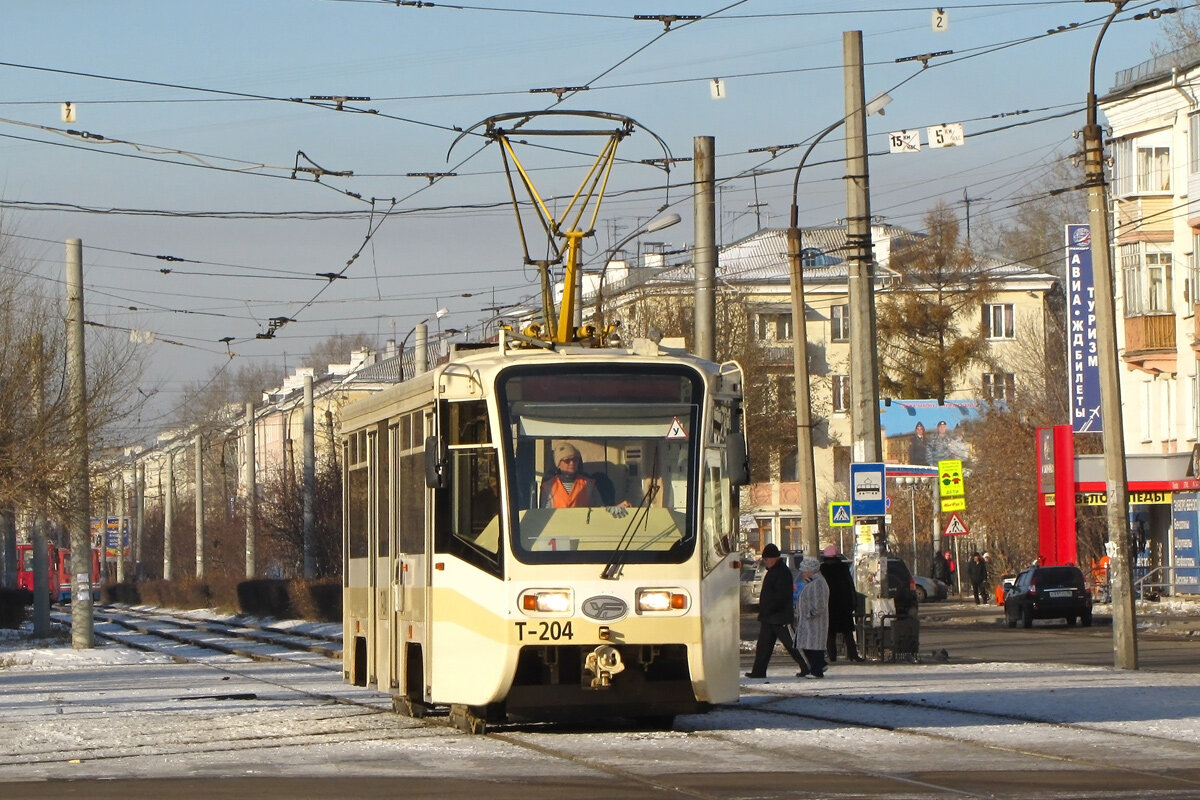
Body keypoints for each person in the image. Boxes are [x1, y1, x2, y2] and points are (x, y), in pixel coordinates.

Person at [746, 543, 810, 679]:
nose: (765, 562)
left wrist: (769, 608)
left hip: (780, 616)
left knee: (791, 644)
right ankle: (758, 671)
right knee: (763, 646)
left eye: (766, 559)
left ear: (773, 558)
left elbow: (781, 596)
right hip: (769, 617)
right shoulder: (775, 571)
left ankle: (807, 666)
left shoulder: (781, 572)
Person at [820, 544, 863, 663]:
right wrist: (852, 602)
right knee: (847, 632)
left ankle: (832, 656)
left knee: (830, 632)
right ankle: (853, 655)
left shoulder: (822, 569)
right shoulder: (843, 568)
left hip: (829, 604)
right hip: (843, 604)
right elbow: (850, 585)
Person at [794, 556, 830, 678]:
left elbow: (820, 603)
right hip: (808, 621)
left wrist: (810, 613)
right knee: (808, 646)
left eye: (805, 570)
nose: (803, 573)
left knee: (813, 647)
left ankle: (816, 670)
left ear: (811, 570)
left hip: (815, 622)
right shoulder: (811, 582)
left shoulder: (818, 583)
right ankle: (819, 666)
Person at [540, 442, 601, 508]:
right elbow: (544, 512)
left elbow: (599, 509)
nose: (572, 463)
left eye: (575, 460)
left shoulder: (589, 484)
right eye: (567, 460)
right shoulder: (548, 486)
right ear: (558, 464)